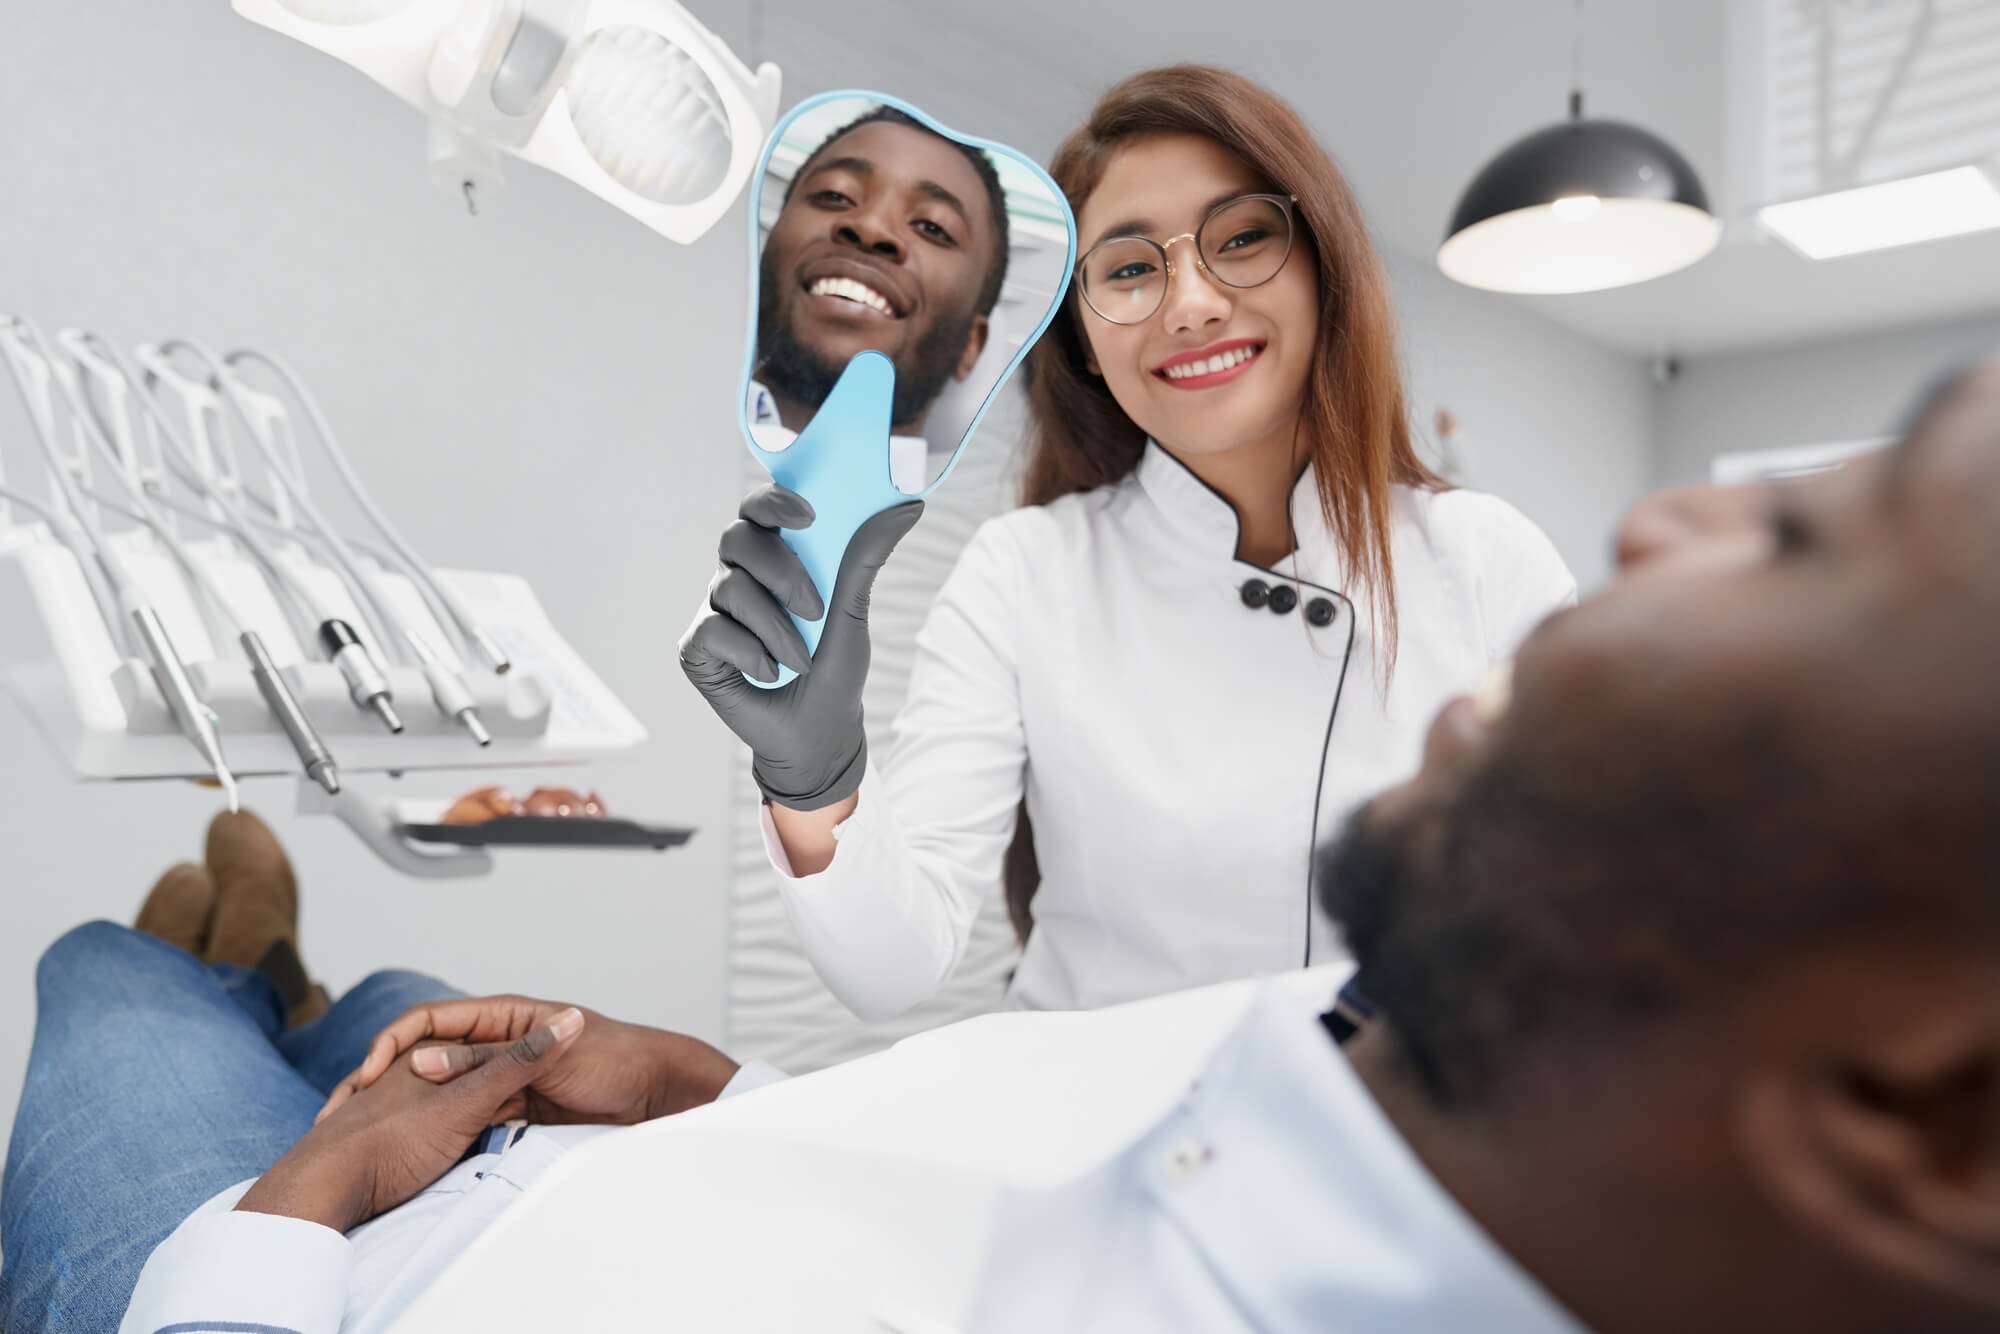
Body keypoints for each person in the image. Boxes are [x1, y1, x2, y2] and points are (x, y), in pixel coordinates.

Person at [15, 358, 2000, 1333]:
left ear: (1934, 1125)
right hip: (639, 1139)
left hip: (304, 1271)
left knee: (115, 979)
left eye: (1817, 536)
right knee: (408, 1006)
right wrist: (719, 1088)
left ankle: (222, 981)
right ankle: (295, 990)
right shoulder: (1437, 1024)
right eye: (1127, 262)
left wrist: (302, 1200)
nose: (1656, 530)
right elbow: (977, 1084)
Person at [680, 65, 1577, 1022]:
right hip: (1089, 1132)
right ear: (1084, 341)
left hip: (1390, 1137)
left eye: (1242, 241)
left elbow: (1583, 903)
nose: (1189, 303)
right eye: (1130, 268)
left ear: (1327, 273)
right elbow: (892, 971)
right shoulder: (1025, 571)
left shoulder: (1483, 559)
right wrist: (816, 784)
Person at [746, 103, 1011, 493]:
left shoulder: (991, 551)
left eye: (931, 227)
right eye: (835, 195)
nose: (869, 228)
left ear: (972, 346)